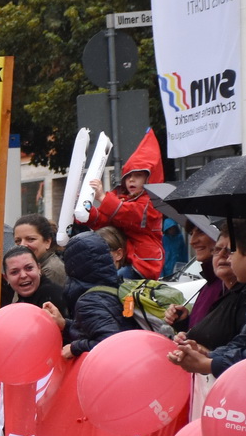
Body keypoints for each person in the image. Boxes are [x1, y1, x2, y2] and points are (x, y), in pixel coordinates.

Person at [168, 220, 246, 376]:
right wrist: (208, 355)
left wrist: (210, 362)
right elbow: (243, 341)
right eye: (218, 250)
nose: (227, 259)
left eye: (231, 252)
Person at [85, 130, 165, 278]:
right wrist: (85, 209)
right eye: (128, 176)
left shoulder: (151, 203)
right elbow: (104, 221)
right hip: (124, 258)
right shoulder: (122, 200)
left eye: (138, 175)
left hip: (141, 264)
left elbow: (130, 214)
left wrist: (103, 197)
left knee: (115, 284)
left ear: (149, 178)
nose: (131, 180)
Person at [60, 231, 139, 359]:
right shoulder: (119, 287)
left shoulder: (89, 301)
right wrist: (66, 324)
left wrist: (75, 348)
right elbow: (97, 325)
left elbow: (108, 342)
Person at [12, 214, 68, 290]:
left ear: (47, 242)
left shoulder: (51, 271)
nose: (22, 245)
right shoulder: (29, 268)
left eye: (31, 239)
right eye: (18, 241)